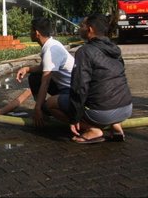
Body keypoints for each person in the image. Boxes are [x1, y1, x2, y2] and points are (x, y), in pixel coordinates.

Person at [51, 13, 132, 143]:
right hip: (126, 108)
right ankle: (115, 124)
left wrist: (74, 118)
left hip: (103, 112)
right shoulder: (115, 49)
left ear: (90, 29)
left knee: (51, 103)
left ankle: (92, 129)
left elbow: (79, 87)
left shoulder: (84, 51)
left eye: (82, 25)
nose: (79, 27)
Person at [15, 17, 74, 127]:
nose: (30, 33)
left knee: (47, 106)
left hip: (71, 90)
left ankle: (80, 124)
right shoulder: (50, 44)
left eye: (31, 31)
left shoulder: (51, 50)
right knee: (34, 77)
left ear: (37, 33)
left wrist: (37, 108)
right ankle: (43, 110)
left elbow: (45, 82)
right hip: (63, 87)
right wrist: (27, 69)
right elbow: (43, 68)